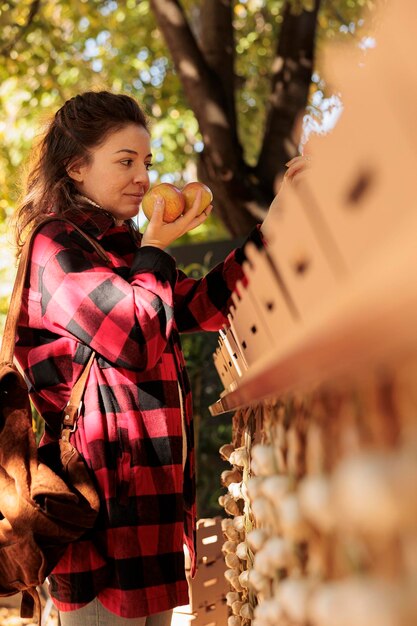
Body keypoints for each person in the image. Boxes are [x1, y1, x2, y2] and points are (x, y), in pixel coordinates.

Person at [13, 90, 307, 625]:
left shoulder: (126, 246)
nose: (143, 178)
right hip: (102, 522)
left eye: (145, 162)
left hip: (153, 511)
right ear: (76, 167)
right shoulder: (56, 246)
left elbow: (205, 305)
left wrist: (277, 223)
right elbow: (134, 336)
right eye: (124, 161)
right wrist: (159, 247)